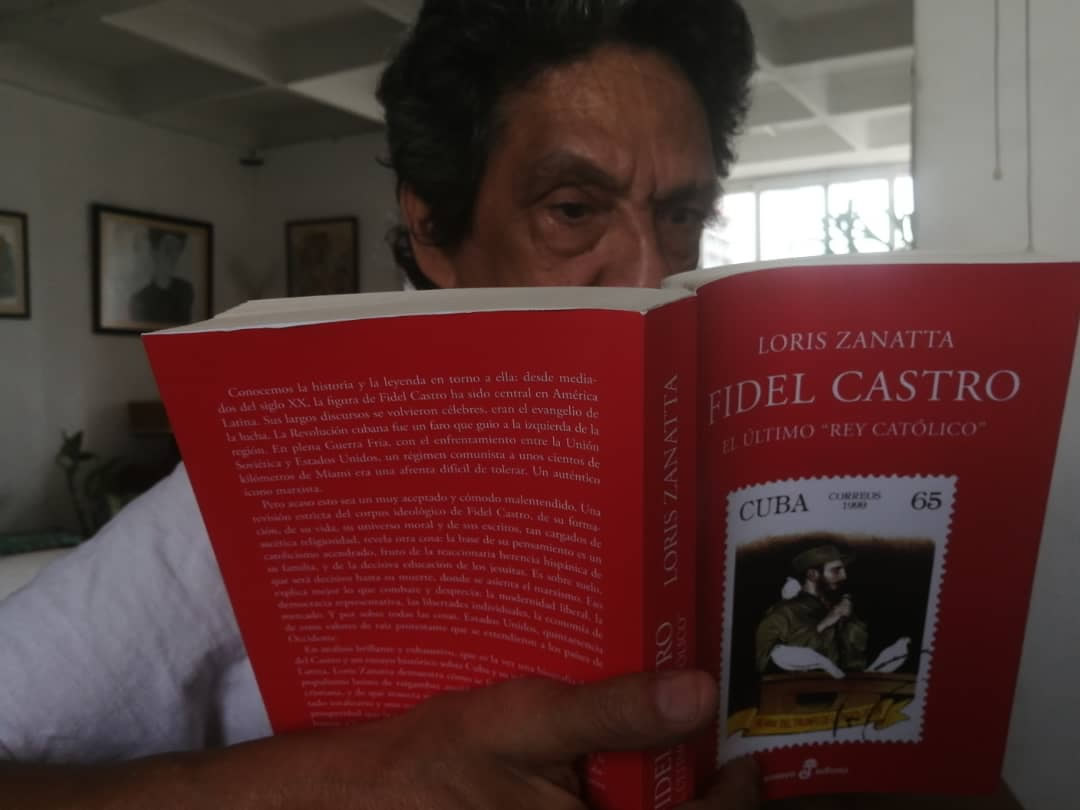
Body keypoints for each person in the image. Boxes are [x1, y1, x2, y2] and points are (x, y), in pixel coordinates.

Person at [0, 1, 760, 806]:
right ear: (432, 228)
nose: (650, 276)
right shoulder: (271, 487)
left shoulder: (727, 463)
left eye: (681, 215)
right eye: (572, 210)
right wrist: (341, 778)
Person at [755, 542, 910, 679]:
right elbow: (766, 664)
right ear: (812, 574)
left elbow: (857, 661)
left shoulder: (843, 608)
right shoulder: (783, 612)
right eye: (836, 570)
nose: (844, 576)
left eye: (843, 570)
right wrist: (828, 621)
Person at [129, 228, 194, 324]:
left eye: (177, 250)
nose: (173, 257)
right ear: (154, 252)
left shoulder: (185, 290)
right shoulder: (140, 299)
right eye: (167, 250)